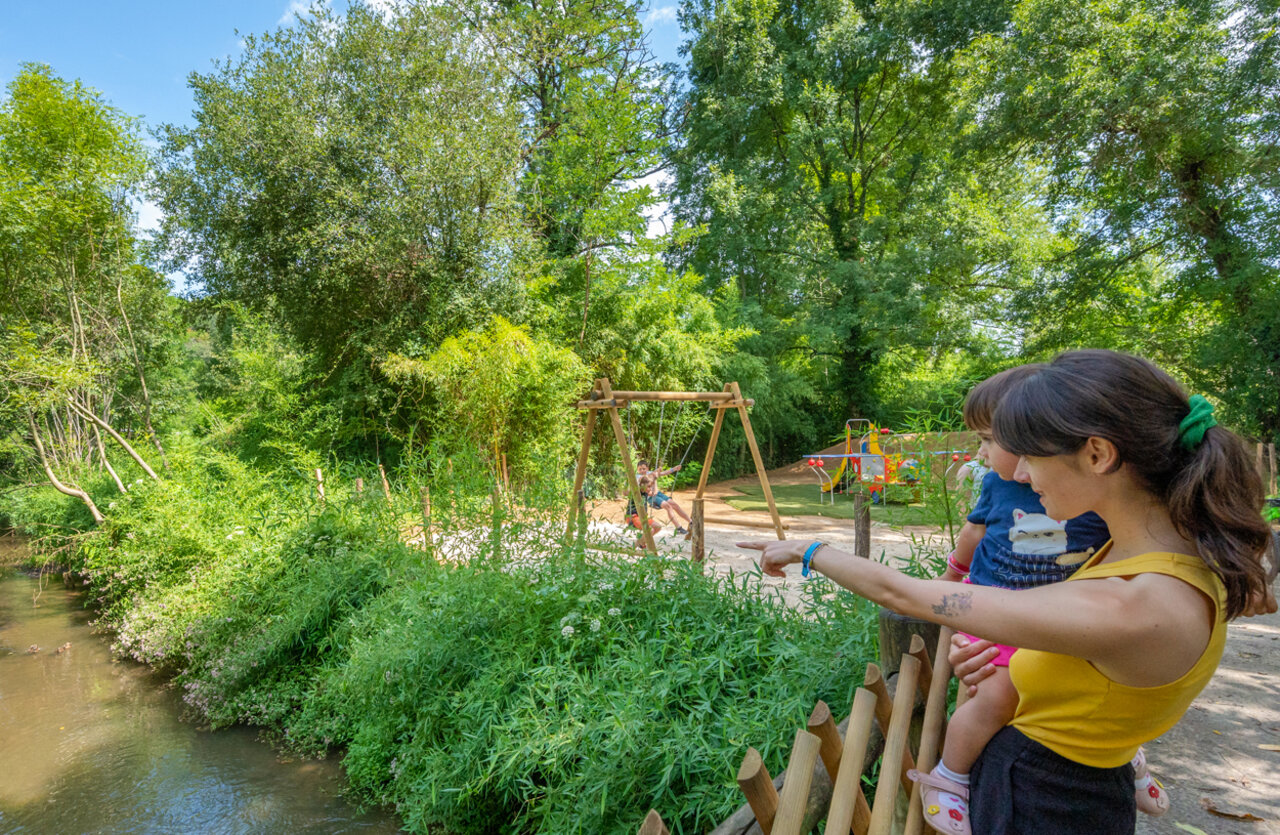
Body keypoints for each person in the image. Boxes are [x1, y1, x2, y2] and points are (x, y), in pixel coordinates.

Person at [740, 350, 1276, 834]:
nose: (1018, 471)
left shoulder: (1134, 603)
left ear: (1097, 455)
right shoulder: (1172, 548)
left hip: (1044, 799)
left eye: (1032, 455)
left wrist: (809, 551)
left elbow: (906, 595)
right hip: (1075, 782)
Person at [930, 367, 1132, 832]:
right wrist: (952, 574)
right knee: (992, 695)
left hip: (1058, 618)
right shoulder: (997, 485)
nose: (981, 452)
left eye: (988, 438)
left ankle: (1129, 758)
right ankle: (950, 777)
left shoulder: (1086, 491)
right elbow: (974, 532)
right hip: (996, 611)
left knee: (1077, 690)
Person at [636, 460, 692, 535]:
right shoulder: (638, 477)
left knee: (675, 505)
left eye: (644, 469)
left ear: (647, 468)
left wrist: (674, 469)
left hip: (658, 493)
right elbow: (646, 477)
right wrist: (656, 472)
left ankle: (691, 521)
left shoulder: (650, 473)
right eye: (640, 469)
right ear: (637, 469)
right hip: (651, 497)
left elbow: (663, 473)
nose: (642, 470)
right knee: (668, 506)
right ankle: (679, 528)